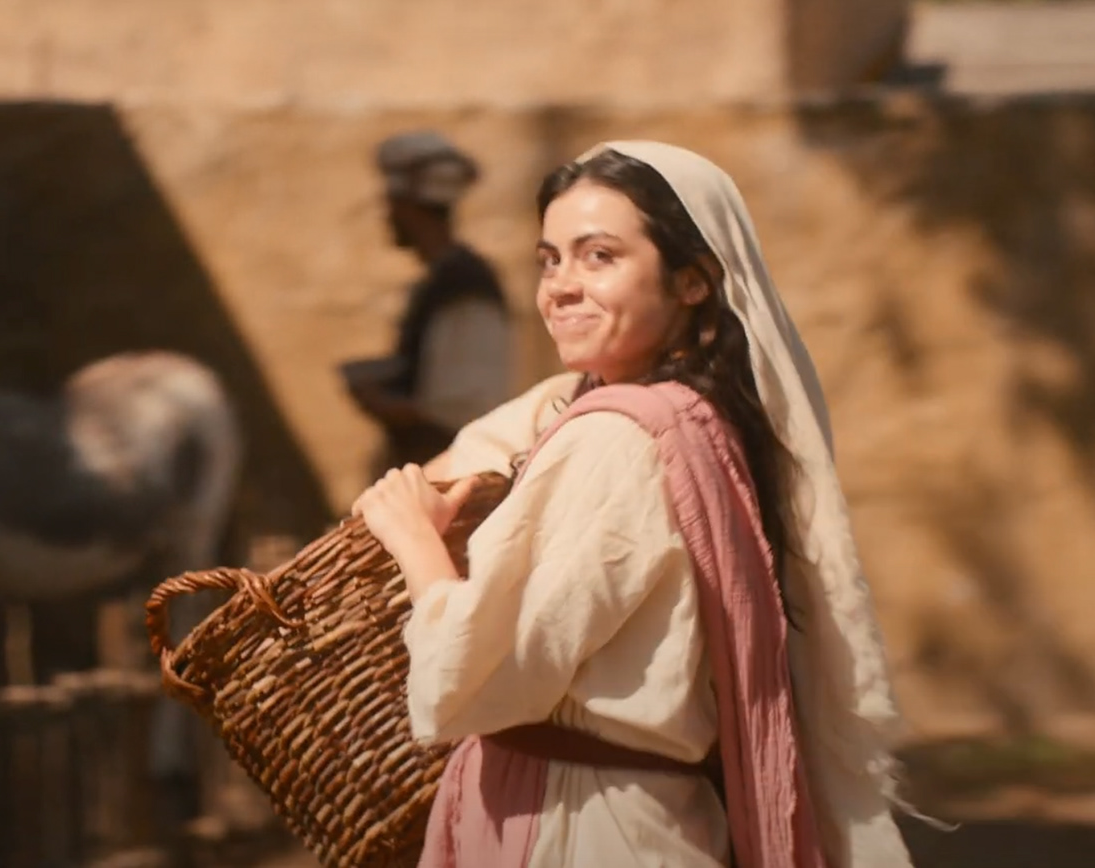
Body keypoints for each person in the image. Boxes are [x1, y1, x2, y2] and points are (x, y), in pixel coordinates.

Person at [353, 142, 917, 866]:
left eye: (600, 257)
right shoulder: (696, 418)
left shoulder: (618, 441)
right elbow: (520, 424)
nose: (561, 287)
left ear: (692, 281)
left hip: (586, 830)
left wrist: (415, 541)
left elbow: (477, 678)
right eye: (550, 260)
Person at [342, 130, 512, 473]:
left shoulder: (463, 284)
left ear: (407, 208)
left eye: (391, 204)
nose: (387, 216)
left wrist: (383, 402)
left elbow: (461, 409)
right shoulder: (441, 281)